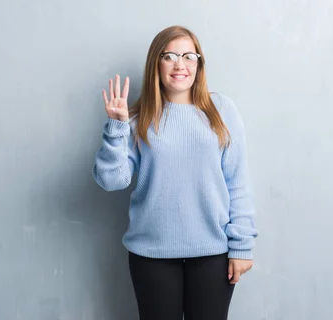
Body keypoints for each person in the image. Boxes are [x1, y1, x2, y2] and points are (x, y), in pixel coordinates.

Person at [92, 25, 258, 320]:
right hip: (151, 255)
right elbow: (111, 180)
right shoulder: (136, 118)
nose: (180, 64)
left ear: (199, 63)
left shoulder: (222, 110)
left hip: (212, 254)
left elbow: (238, 183)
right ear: (156, 63)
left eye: (188, 56)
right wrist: (117, 127)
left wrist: (242, 246)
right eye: (169, 56)